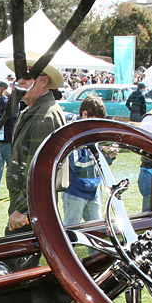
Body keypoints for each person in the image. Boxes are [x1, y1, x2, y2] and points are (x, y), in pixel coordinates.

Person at [4, 53, 66, 239]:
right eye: (18, 77)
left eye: (27, 77)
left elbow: (42, 171)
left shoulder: (46, 116)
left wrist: (23, 210)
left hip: (33, 211)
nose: (20, 82)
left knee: (21, 264)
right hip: (29, 207)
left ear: (44, 81)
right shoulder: (32, 111)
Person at [60, 95, 107, 226]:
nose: (97, 124)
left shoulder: (92, 131)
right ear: (85, 114)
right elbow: (77, 164)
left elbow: (101, 166)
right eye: (95, 119)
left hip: (93, 189)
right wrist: (100, 153)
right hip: (75, 190)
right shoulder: (73, 131)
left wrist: (109, 155)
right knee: (71, 231)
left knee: (98, 231)